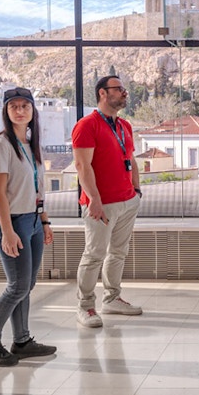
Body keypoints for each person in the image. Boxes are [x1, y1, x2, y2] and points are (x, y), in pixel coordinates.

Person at [0, 87, 57, 366]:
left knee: (27, 284)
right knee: (17, 285)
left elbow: (37, 187)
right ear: (6, 112)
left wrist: (44, 221)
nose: (20, 111)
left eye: (25, 106)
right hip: (12, 222)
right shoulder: (2, 145)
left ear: (33, 111)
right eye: (14, 107)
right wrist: (7, 231)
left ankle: (21, 340)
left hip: (32, 220)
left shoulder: (30, 144)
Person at [72, 75, 142, 328]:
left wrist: (136, 190)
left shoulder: (124, 126)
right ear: (103, 93)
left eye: (124, 89)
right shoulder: (87, 125)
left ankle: (112, 299)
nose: (125, 93)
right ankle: (85, 307)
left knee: (118, 253)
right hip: (101, 204)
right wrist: (95, 199)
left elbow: (131, 159)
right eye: (119, 89)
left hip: (127, 201)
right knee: (94, 255)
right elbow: (82, 165)